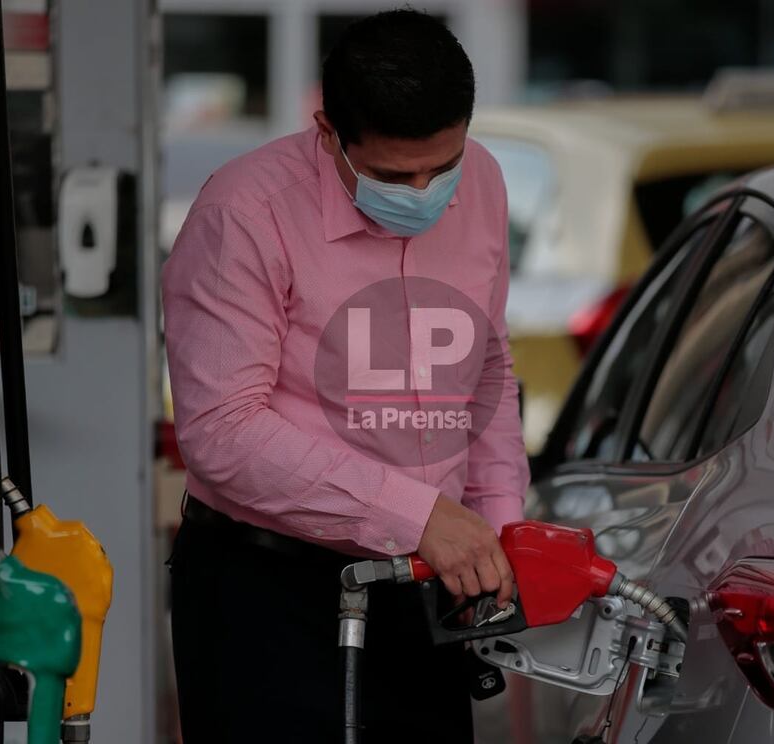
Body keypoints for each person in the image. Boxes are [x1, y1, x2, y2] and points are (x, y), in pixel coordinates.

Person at [162, 9, 529, 743]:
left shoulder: (483, 181)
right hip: (270, 593)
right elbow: (222, 432)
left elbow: (487, 363)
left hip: (425, 593)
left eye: (441, 167)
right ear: (328, 132)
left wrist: (497, 528)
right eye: (395, 175)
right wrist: (421, 517)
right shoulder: (245, 213)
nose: (424, 191)